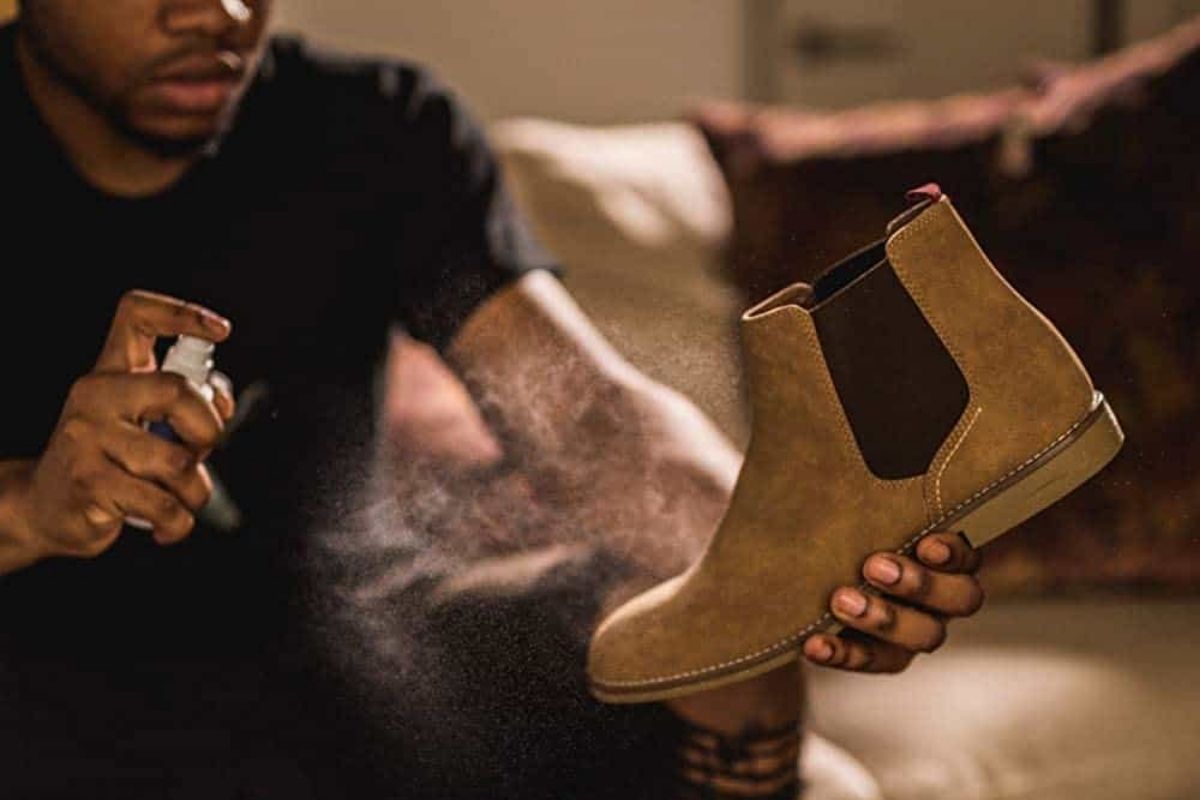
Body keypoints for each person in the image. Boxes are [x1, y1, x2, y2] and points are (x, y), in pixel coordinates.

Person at [0, 1, 986, 797]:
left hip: (345, 644)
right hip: (45, 677)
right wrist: (33, 506)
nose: (215, 14)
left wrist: (801, 554)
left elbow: (591, 420)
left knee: (696, 621)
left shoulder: (373, 124)